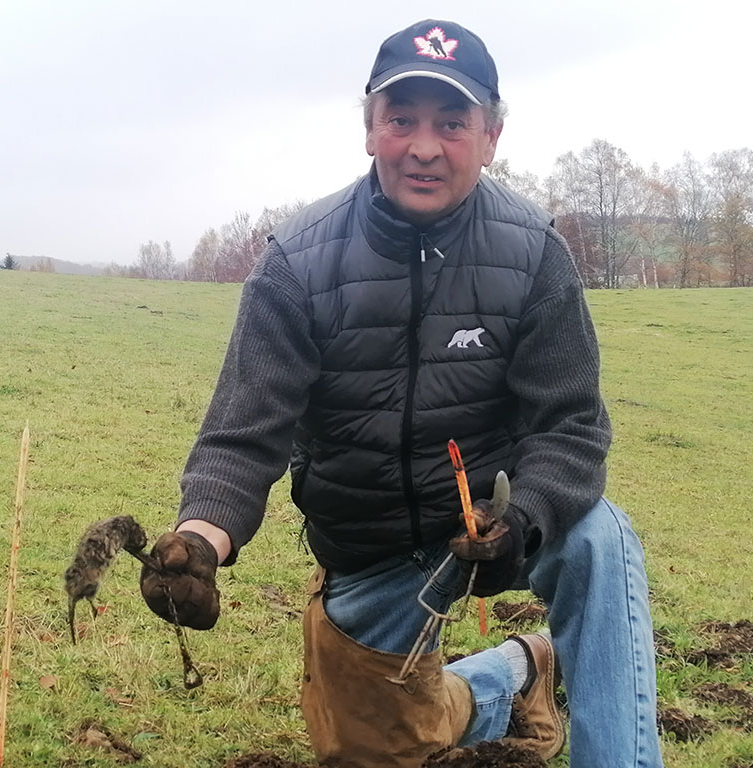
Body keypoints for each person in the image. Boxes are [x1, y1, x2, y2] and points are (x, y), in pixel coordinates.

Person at [139, 19, 663, 768]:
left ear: (491, 135)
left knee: (599, 537)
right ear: (369, 129)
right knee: (375, 751)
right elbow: (243, 435)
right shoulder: (298, 262)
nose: (424, 146)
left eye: (452, 122)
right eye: (401, 120)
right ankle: (520, 670)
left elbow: (572, 428)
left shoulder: (535, 254)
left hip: (496, 528)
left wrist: (523, 522)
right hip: (370, 550)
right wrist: (199, 543)